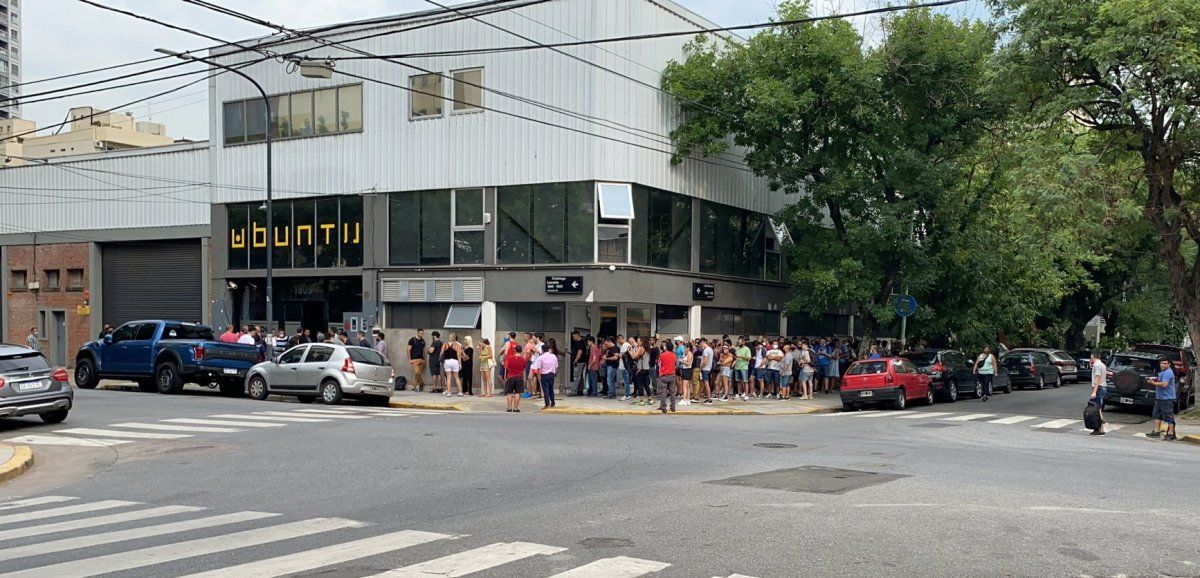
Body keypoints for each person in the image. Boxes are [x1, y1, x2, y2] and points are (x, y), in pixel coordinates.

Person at [1148, 358, 1178, 440]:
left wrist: (1153, 383)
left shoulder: (1168, 372)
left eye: (1165, 363)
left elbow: (1164, 384)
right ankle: (1156, 431)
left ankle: (1171, 433)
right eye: (1162, 363)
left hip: (1167, 398)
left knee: (1168, 416)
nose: (1163, 365)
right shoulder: (1163, 372)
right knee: (1157, 415)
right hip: (1160, 397)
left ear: (1169, 364)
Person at [533, 341, 559, 408]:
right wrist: (554, 372)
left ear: (542, 350)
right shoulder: (553, 356)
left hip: (544, 375)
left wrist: (539, 377)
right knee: (551, 389)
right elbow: (556, 366)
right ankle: (553, 403)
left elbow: (538, 369)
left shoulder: (540, 358)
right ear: (548, 349)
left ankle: (547, 403)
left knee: (545, 389)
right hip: (552, 374)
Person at [1088, 351, 1108, 435]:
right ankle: (1101, 428)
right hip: (1103, 387)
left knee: (1095, 408)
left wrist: (1094, 391)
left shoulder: (1097, 365)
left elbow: (1098, 378)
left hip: (1099, 387)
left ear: (1092, 356)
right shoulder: (1102, 364)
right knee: (1098, 407)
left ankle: (1099, 427)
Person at [503, 344, 526, 413]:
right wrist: (524, 378)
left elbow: (506, 368)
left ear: (515, 350)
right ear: (521, 351)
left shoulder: (509, 358)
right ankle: (515, 408)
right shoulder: (523, 360)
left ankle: (509, 408)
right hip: (519, 377)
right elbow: (523, 370)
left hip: (510, 377)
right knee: (517, 393)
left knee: (509, 393)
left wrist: (505, 376)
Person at [658, 340, 678, 414]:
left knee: (663, 392)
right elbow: (675, 364)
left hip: (663, 375)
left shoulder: (662, 355)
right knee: (672, 392)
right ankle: (673, 407)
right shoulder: (674, 355)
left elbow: (659, 364)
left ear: (666, 347)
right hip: (672, 375)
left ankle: (663, 407)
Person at [569, 330, 586, 396]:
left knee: (576, 377)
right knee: (580, 377)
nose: (573, 338)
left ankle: (574, 392)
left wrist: (576, 360)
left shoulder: (580, 342)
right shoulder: (580, 342)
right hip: (581, 361)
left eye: (574, 337)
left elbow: (580, 352)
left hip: (579, 362)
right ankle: (580, 391)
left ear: (577, 335)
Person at [699, 338, 714, 404]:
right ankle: (708, 398)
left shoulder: (705, 350)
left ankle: (709, 399)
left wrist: (700, 367)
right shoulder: (710, 349)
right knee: (706, 383)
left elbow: (705, 361)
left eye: (700, 345)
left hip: (705, 369)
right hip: (709, 368)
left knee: (706, 383)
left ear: (702, 343)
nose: (701, 347)